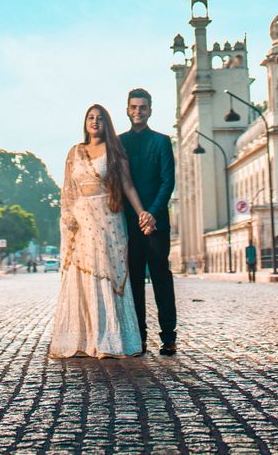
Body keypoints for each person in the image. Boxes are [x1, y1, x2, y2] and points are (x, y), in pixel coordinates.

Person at [49, 103, 155, 359]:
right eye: (90, 118)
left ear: (107, 123)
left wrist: (141, 211)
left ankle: (110, 339)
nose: (95, 122)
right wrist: (67, 215)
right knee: (82, 275)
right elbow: (67, 189)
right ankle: (84, 339)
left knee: (107, 272)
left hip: (108, 216)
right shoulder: (75, 152)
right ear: (85, 122)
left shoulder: (114, 151)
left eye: (100, 118)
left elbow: (127, 185)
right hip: (80, 219)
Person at [119, 88, 177, 356]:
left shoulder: (162, 141)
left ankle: (168, 336)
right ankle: (139, 337)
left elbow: (168, 181)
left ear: (150, 111)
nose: (138, 111)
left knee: (161, 278)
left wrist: (152, 213)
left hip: (156, 224)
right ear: (128, 110)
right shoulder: (119, 143)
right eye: (134, 107)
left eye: (143, 107)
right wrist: (140, 215)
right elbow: (119, 183)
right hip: (129, 223)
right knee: (134, 284)